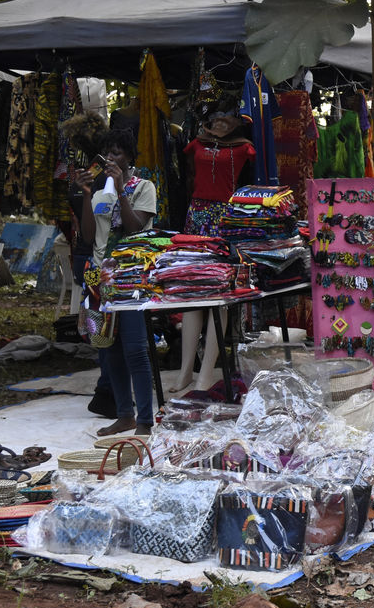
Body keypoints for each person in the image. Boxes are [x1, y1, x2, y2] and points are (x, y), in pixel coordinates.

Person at [77, 129, 158, 437]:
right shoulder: (100, 193)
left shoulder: (144, 187)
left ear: (129, 157)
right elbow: (88, 237)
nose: (111, 158)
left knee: (135, 348)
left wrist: (122, 190)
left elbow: (134, 228)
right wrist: (87, 194)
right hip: (98, 278)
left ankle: (145, 420)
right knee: (107, 348)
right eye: (107, 153)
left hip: (131, 275)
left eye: (117, 153)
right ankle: (124, 415)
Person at [175, 110, 256, 393]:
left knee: (219, 294)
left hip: (223, 218)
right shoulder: (196, 144)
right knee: (193, 291)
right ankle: (186, 369)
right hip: (196, 216)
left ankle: (206, 372)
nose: (219, 123)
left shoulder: (245, 148)